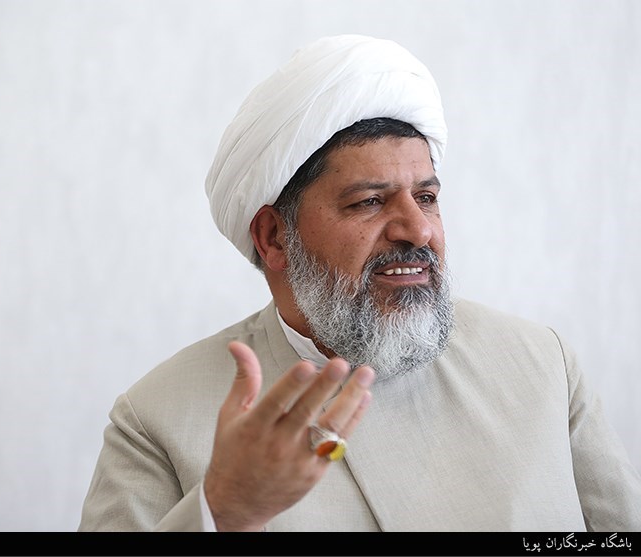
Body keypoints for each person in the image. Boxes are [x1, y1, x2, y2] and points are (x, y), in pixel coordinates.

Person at [78, 34, 641, 532]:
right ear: (274, 237)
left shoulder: (540, 364)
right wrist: (224, 513)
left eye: (426, 197)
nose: (418, 229)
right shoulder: (156, 419)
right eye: (370, 202)